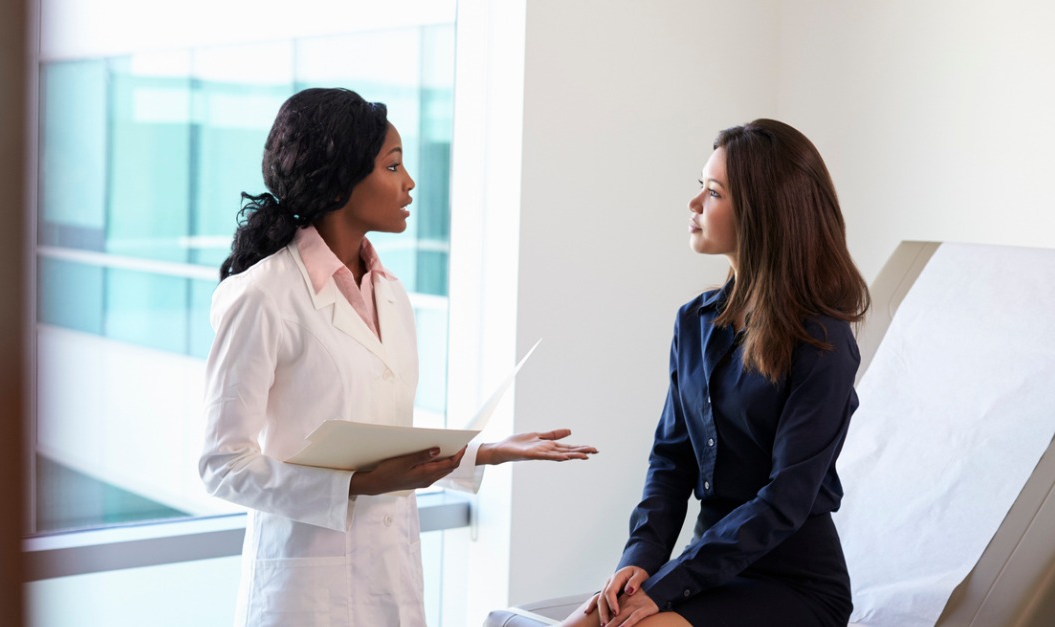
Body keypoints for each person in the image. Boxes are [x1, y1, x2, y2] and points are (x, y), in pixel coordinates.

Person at [199, 87, 597, 627]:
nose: (409, 183)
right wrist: (356, 486)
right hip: (305, 594)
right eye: (392, 166)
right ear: (341, 176)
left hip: (392, 576)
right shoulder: (263, 296)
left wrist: (485, 451)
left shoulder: (390, 292)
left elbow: (383, 436)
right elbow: (223, 466)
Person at [560, 119, 869, 627]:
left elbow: (784, 502)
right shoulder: (694, 320)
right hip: (708, 568)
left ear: (762, 212)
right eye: (700, 186)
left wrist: (667, 586)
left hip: (795, 586)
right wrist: (640, 561)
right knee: (585, 624)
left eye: (713, 192)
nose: (694, 204)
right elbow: (671, 459)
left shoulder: (823, 342)